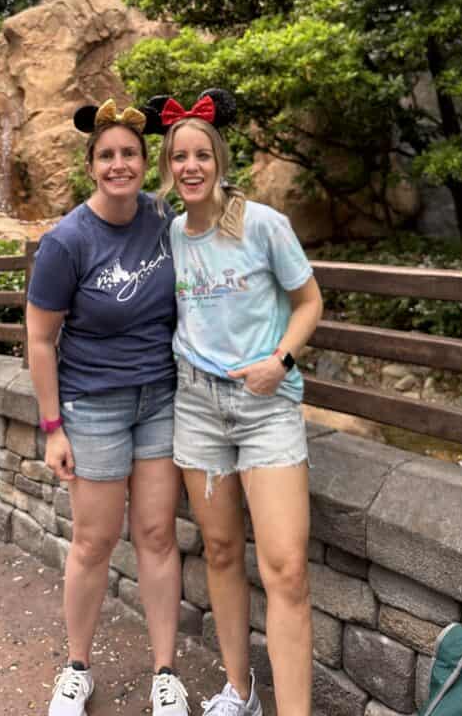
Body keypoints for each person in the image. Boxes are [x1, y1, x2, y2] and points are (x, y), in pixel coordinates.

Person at [152, 89, 323, 716]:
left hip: (265, 408)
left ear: (219, 161)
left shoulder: (262, 225)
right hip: (197, 411)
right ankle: (241, 692)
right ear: (168, 167)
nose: (190, 167)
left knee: (285, 569)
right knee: (221, 551)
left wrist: (279, 363)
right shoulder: (172, 234)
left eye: (201, 155)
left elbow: (310, 302)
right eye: (178, 157)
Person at [26, 99, 189, 716]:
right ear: (91, 165)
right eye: (107, 155)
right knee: (95, 541)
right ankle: (76, 667)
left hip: (160, 400)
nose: (119, 164)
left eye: (129, 154)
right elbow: (40, 338)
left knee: (156, 534)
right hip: (92, 403)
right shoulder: (68, 240)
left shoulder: (160, 217)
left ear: (147, 164)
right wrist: (51, 427)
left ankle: (166, 673)